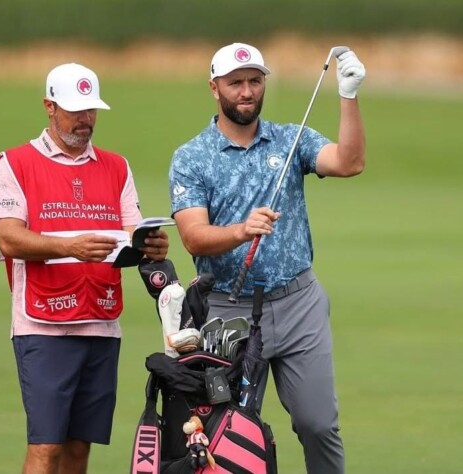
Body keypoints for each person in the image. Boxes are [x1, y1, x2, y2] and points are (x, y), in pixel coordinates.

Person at [168, 43, 366, 473]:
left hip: (298, 303)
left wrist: (348, 96)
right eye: (235, 82)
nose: (246, 91)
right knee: (226, 427)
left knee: (318, 424)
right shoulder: (191, 157)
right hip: (227, 310)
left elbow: (350, 162)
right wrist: (242, 230)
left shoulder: (291, 139)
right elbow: (193, 237)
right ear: (214, 87)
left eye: (255, 81)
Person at [0, 62, 169, 474]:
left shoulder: (116, 166)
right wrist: (70, 247)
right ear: (49, 106)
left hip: (101, 321)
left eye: (91, 110)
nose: (86, 120)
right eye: (75, 110)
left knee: (78, 446)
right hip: (44, 325)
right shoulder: (15, 163)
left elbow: (130, 232)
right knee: (46, 447)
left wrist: (151, 246)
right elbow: (9, 238)